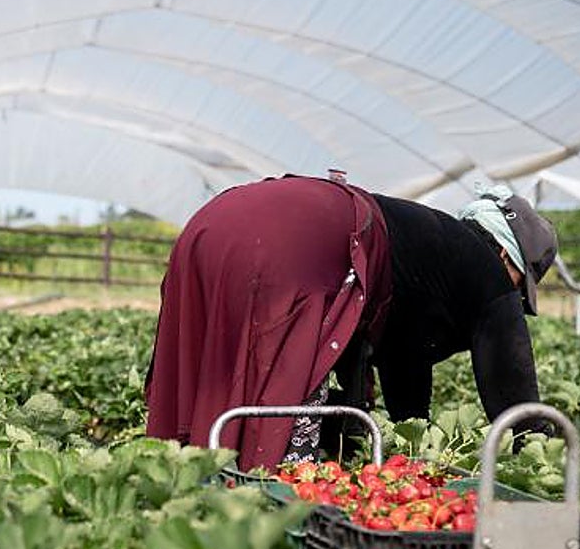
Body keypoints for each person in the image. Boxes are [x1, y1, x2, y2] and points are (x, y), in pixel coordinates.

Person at [144, 173, 558, 471]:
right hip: (294, 240)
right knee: (287, 435)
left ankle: (188, 482)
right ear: (507, 257)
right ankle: (268, 514)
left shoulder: (428, 247)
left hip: (215, 220)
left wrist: (405, 443)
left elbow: (405, 363)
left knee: (213, 364)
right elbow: (514, 389)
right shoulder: (486, 269)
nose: (514, 299)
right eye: (521, 287)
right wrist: (549, 454)